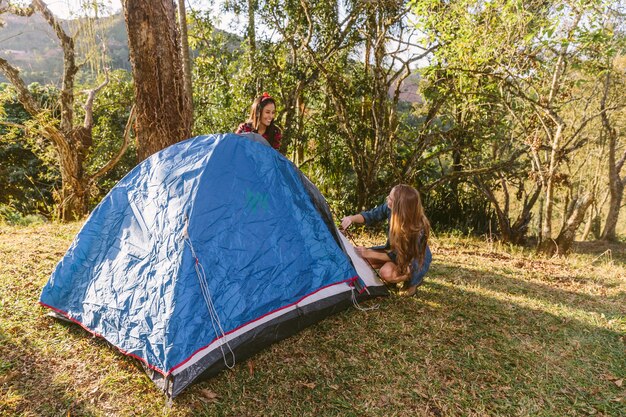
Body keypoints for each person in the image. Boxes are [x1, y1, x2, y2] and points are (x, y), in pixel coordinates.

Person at [341, 184, 432, 296]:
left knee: (386, 273)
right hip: (393, 252)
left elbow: (399, 256)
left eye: (390, 199)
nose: (387, 200)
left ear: (400, 206)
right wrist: (351, 218)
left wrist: (368, 253)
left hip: (412, 261)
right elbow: (371, 216)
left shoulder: (416, 229)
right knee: (363, 262)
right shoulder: (390, 209)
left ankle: (413, 281)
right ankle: (392, 280)